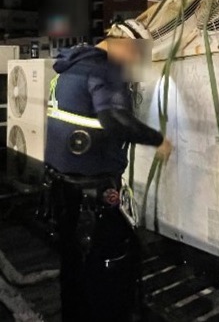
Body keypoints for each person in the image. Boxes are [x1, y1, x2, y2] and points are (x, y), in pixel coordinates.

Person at [44, 18, 172, 322]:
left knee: (72, 265)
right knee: (108, 268)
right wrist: (158, 140)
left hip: (61, 189)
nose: (136, 64)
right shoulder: (105, 69)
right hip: (93, 195)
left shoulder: (71, 66)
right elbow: (114, 119)